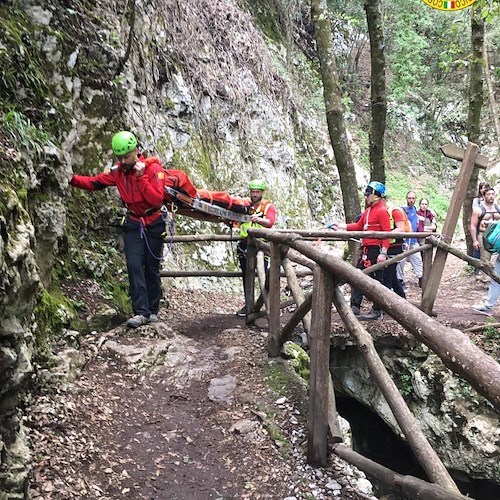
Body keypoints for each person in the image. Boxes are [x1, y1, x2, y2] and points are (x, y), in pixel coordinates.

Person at [70, 131, 166, 328]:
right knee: (133, 264)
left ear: (135, 151)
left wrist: (141, 178)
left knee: (152, 267)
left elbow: (157, 199)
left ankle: (153, 310)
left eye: (126, 156)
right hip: (133, 222)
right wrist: (71, 178)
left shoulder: (153, 168)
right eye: (120, 157)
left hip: (154, 222)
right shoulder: (118, 172)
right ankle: (141, 312)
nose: (123, 161)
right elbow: (95, 183)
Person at [331, 181, 391, 320]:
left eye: (368, 195)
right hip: (365, 249)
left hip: (375, 250)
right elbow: (358, 226)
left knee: (376, 280)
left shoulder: (382, 211)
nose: (366, 197)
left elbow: (387, 233)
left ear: (376, 196)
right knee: (357, 276)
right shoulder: (368, 211)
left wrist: (383, 252)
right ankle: (355, 306)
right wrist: (341, 226)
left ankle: (377, 310)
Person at [236, 179, 277, 316]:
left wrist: (259, 220)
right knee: (246, 276)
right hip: (244, 244)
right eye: (252, 192)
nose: (254, 194)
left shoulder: (267, 207)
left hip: (261, 246)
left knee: (263, 277)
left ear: (262, 193)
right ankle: (249, 305)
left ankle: (269, 305)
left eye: (257, 192)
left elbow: (270, 222)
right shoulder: (245, 205)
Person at [396, 191, 423, 288]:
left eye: (413, 198)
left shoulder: (415, 209)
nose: (411, 200)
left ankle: (421, 278)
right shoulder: (402, 210)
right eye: (409, 198)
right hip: (404, 240)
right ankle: (399, 280)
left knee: (418, 259)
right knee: (401, 261)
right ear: (406, 198)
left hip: (414, 240)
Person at [383, 199, 408, 298]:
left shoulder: (394, 211)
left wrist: (386, 235)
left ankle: (385, 302)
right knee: (391, 275)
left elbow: (401, 228)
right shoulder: (386, 210)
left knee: (387, 276)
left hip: (395, 247)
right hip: (389, 246)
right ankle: (401, 297)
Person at [470, 186, 500, 267]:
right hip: (484, 236)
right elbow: (473, 226)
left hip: (497, 236)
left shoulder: (498, 208)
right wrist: (475, 241)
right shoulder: (478, 210)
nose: (491, 196)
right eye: (488, 194)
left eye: (493, 194)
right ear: (484, 196)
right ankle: (485, 279)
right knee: (485, 259)